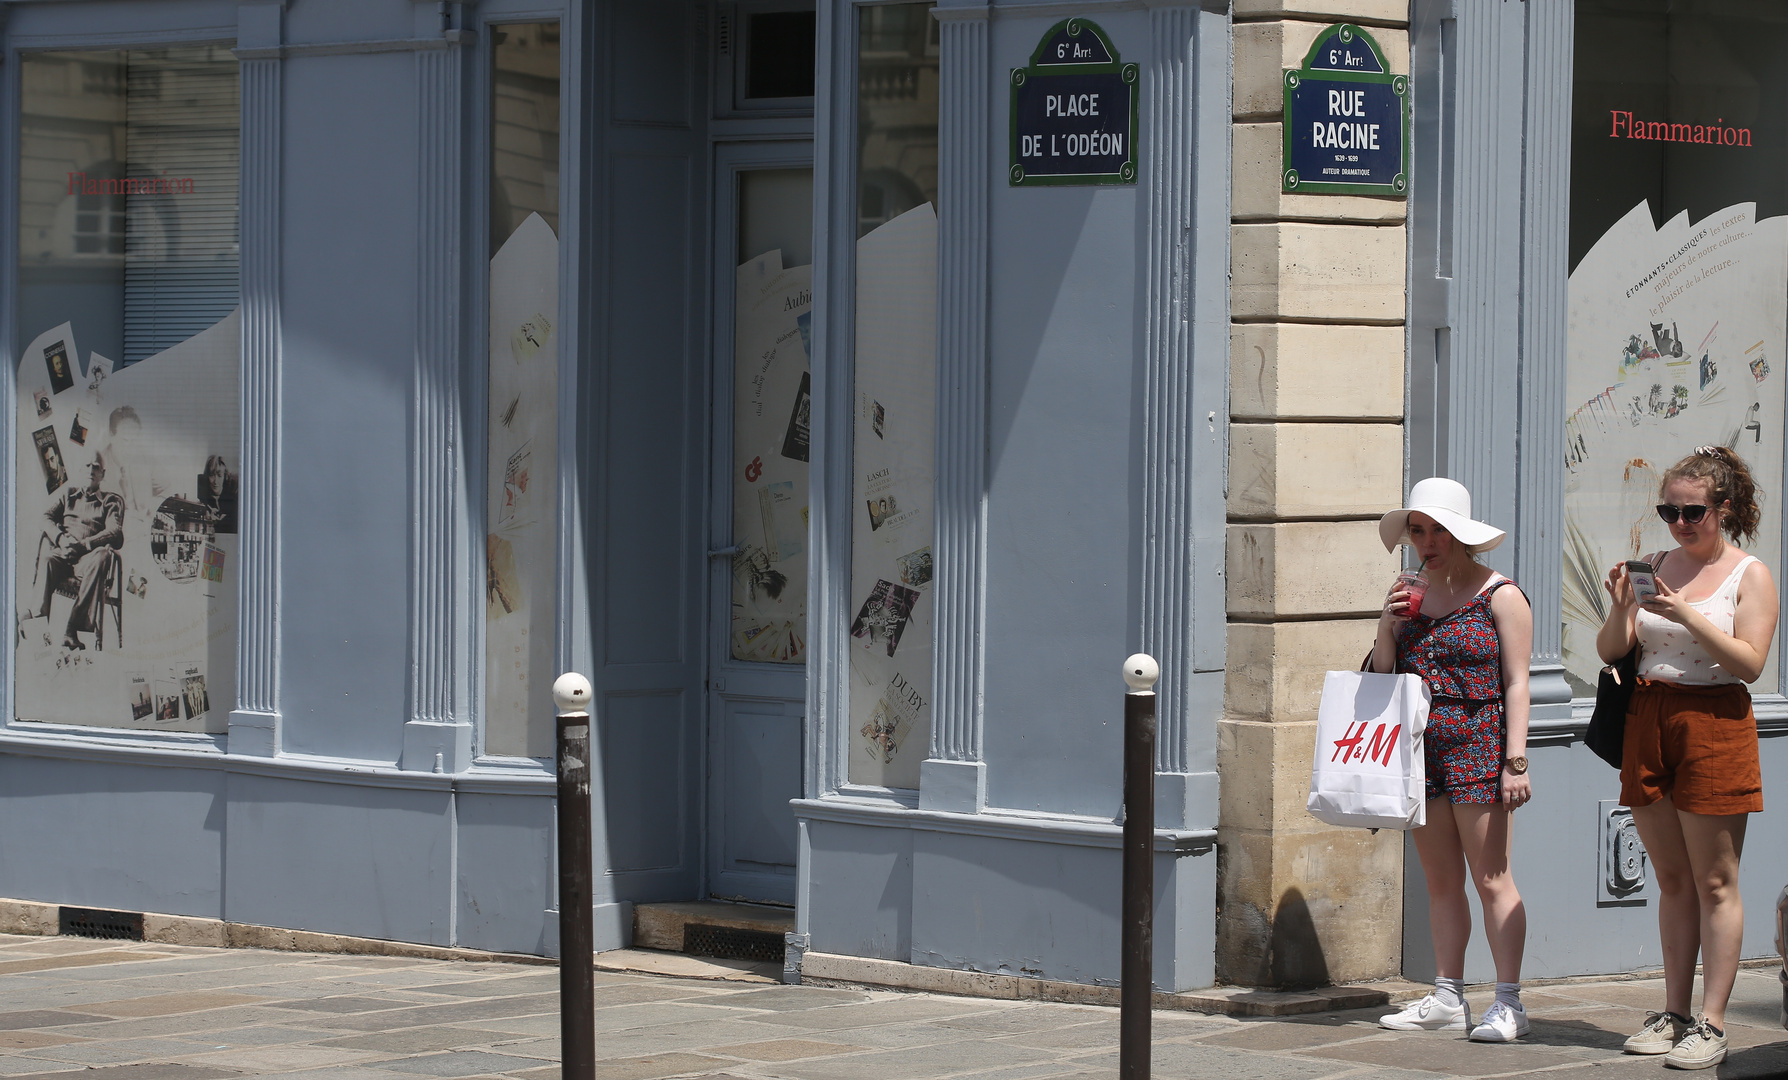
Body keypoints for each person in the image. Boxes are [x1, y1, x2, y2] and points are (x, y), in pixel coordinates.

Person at [1596, 445, 1777, 1071]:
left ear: (1723, 508)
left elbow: (1750, 664)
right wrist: (1625, 607)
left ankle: (1713, 1021)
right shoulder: (1655, 564)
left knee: (1715, 881)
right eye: (1668, 509)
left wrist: (1684, 613)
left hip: (1713, 719)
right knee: (1671, 879)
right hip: (1648, 715)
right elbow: (1612, 649)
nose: (1678, 522)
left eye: (1691, 510)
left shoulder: (1747, 573)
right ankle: (1673, 1013)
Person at [1371, 477, 1534, 1042]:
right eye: (1418, 530)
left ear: (1461, 534)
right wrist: (1386, 627)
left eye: (1438, 530)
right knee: (1441, 883)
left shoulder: (1500, 594)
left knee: (1492, 879)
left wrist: (1516, 761)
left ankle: (1509, 1002)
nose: (1427, 541)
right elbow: (1384, 681)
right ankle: (1447, 996)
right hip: (1422, 749)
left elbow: (1517, 682)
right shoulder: (1409, 592)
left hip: (1480, 744)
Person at [37, 454, 124, 651]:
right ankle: (37, 626)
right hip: (63, 555)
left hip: (87, 560)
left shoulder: (110, 502)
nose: (91, 469)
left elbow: (113, 531)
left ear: (102, 474)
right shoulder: (68, 495)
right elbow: (45, 518)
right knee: (48, 558)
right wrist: (61, 538)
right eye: (87, 465)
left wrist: (84, 545)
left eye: (96, 466)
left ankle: (71, 629)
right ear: (80, 470)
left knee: (103, 554)